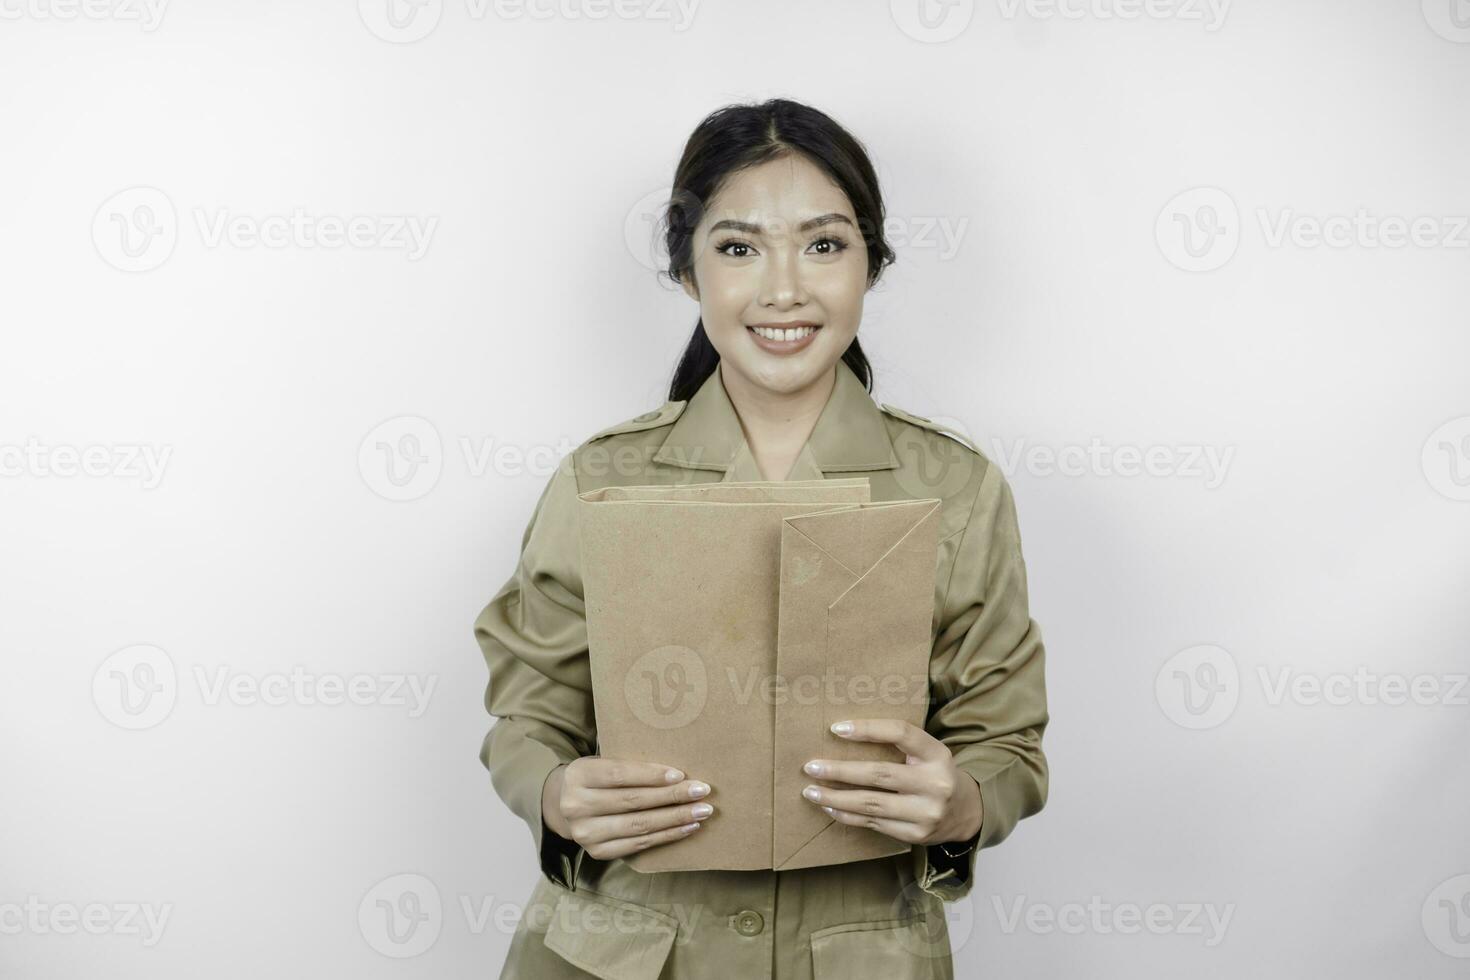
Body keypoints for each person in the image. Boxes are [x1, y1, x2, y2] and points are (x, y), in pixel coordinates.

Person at [473, 98, 1049, 980]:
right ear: (687, 272)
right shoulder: (600, 480)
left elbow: (1005, 744)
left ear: (871, 263)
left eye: (824, 245)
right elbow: (529, 715)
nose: (785, 289)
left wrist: (961, 805)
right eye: (738, 248)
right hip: (620, 951)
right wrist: (553, 793)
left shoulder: (956, 489)